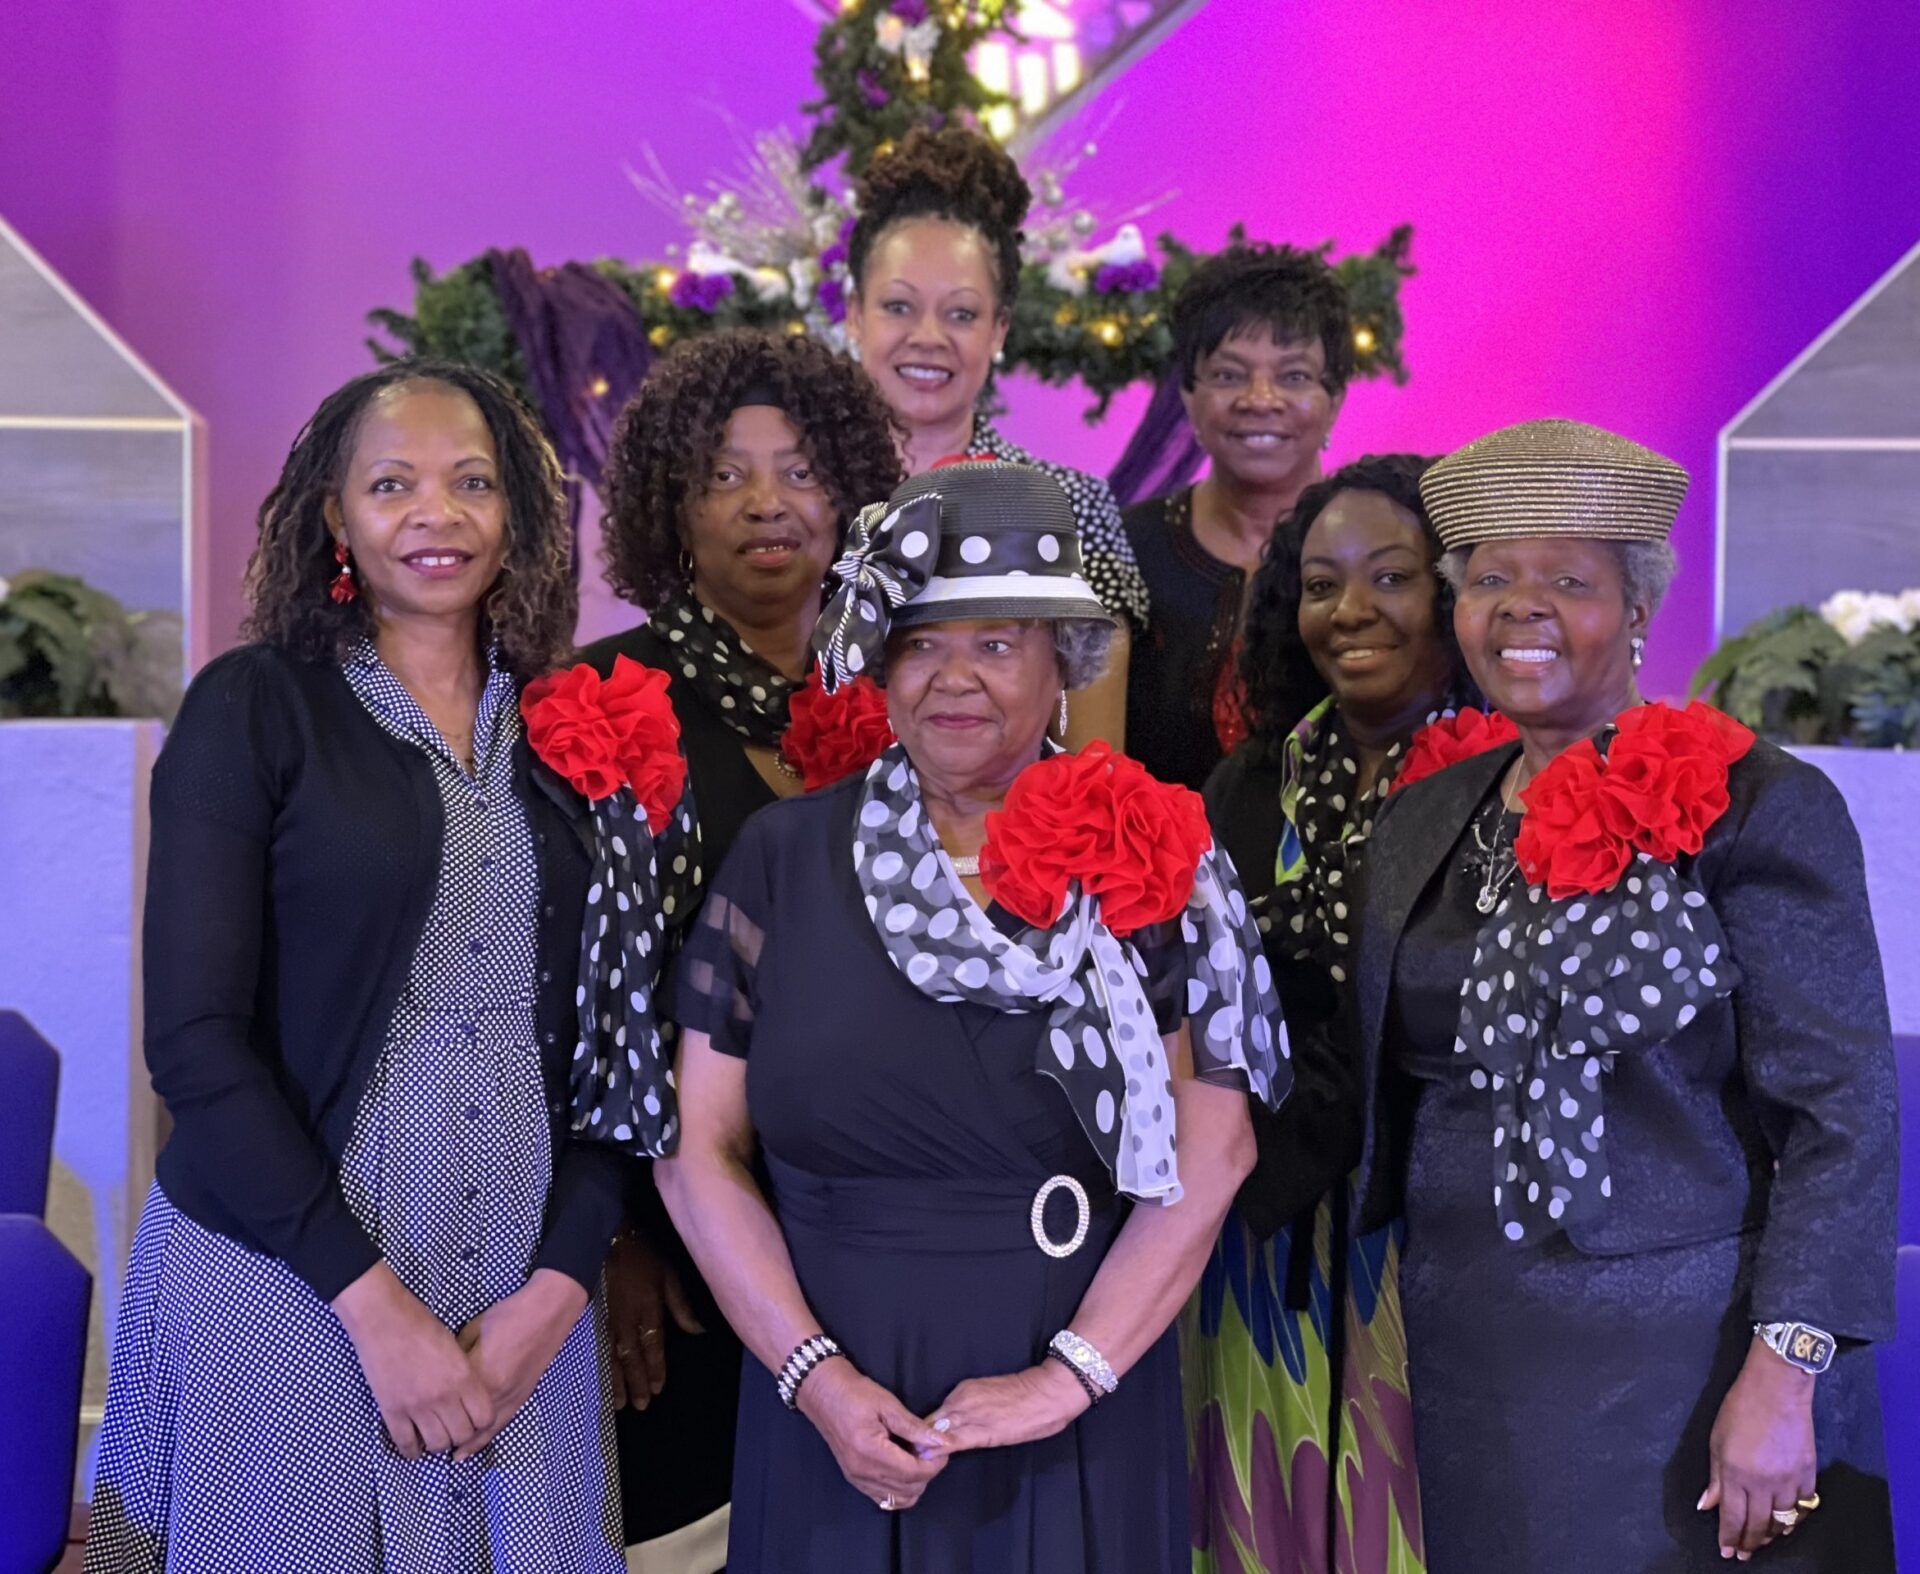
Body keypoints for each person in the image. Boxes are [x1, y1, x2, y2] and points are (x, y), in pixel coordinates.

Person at [654, 460, 1290, 1571]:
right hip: (828, 1390)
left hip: (1069, 1379)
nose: (955, 678)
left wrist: (1067, 1377)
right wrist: (817, 1378)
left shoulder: (1151, 856)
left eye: (997, 642)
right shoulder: (783, 859)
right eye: (920, 641)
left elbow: (1216, 1144)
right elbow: (696, 1148)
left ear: (1065, 663)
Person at [86, 361, 646, 1571]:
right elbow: (193, 1039)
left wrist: (557, 1287)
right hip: (291, 1270)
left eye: (472, 482)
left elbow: (620, 1046)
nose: (434, 514)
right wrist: (373, 1307)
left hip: (518, 1293)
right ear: (335, 515)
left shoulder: (575, 731)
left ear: (520, 514)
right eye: (392, 484)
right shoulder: (255, 706)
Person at [1353, 419, 1898, 1571]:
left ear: (1640, 604)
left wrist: (1784, 1368)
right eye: (1489, 577)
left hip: (1692, 1372)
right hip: (1468, 1356)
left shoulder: (1754, 803)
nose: (1520, 607)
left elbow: (1842, 1113)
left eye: (1567, 579)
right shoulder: (1419, 822)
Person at [579, 327, 903, 1571]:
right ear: (673, 509)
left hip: (877, 1217)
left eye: (799, 467)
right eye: (725, 473)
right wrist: (612, 1234)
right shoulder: (605, 696)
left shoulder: (916, 688)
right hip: (677, 1234)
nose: (767, 500)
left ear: (849, 493)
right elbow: (570, 993)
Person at [1190, 455, 1462, 1572]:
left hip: (1435, 1231)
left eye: (1391, 576)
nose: (1350, 610)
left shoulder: (1511, 781)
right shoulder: (1248, 786)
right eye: (1318, 582)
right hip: (1260, 1233)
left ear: (1454, 590)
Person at [844, 125, 1149, 748]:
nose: (928, 336)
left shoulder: (1071, 505)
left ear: (1000, 328)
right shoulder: (806, 504)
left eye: (961, 313)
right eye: (898, 307)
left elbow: (1095, 764)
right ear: (854, 316)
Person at [1123, 243, 1352, 789]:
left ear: (1335, 400)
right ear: (1188, 396)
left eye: (1294, 376)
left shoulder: (1376, 553)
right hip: (1158, 868)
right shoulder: (1126, 546)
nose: (1260, 398)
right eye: (1228, 375)